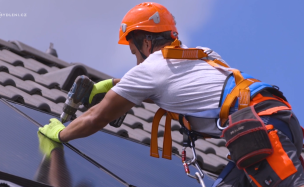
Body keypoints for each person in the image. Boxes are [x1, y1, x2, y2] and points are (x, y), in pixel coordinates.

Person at [39, 2, 304, 186]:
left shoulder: (150, 70)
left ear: (145, 42)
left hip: (261, 129)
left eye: (134, 53)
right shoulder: (202, 54)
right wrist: (110, 85)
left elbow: (97, 117)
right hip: (275, 118)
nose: (136, 63)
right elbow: (175, 81)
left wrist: (60, 133)